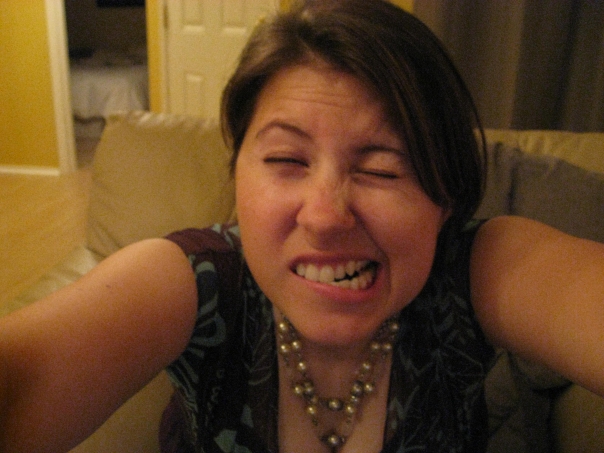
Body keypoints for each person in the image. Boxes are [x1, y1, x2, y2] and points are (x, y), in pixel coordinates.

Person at [1, 1, 603, 452]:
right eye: (287, 160)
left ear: (445, 198)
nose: (325, 215)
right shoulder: (196, 281)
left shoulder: (478, 270)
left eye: (382, 168)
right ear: (238, 173)